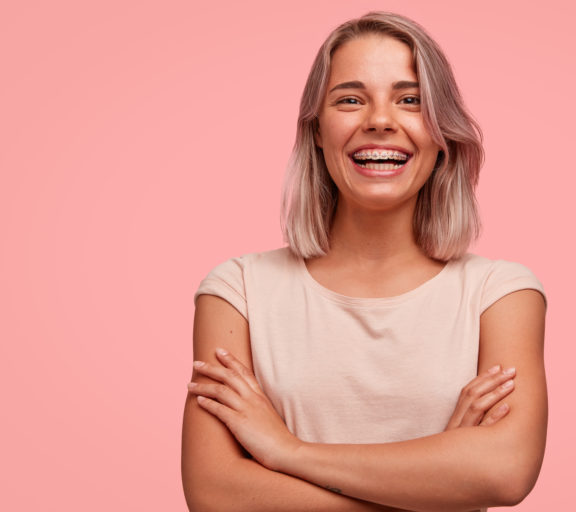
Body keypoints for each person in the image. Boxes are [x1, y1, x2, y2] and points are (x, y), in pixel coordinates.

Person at [181, 11, 547, 512]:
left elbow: (504, 471)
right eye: (350, 99)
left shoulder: (500, 294)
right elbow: (215, 494)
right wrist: (437, 488)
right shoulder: (238, 291)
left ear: (442, 132)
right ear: (315, 129)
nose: (379, 119)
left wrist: (287, 451)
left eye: (410, 100)